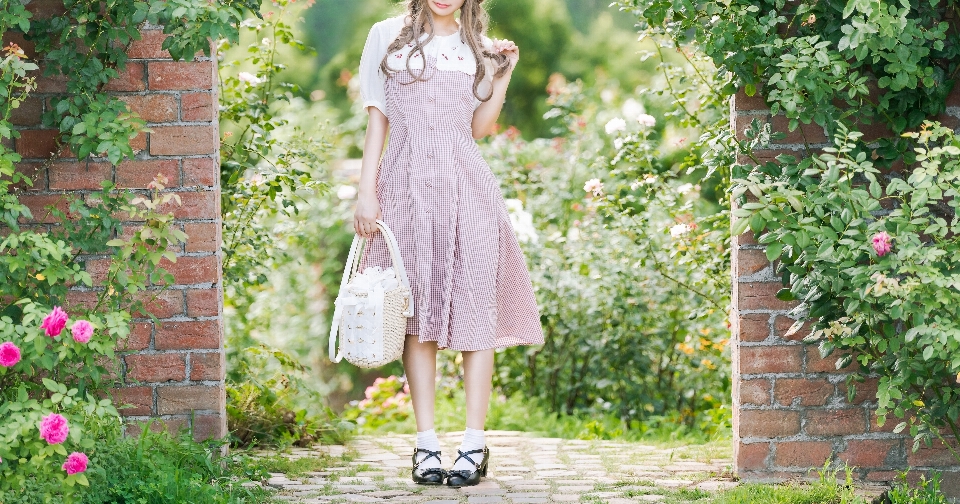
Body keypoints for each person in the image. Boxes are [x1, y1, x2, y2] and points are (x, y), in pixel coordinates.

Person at [352, 0, 545, 489]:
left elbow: (477, 129)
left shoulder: (477, 49)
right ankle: (427, 445)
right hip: (405, 186)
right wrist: (366, 190)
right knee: (416, 317)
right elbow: (378, 122)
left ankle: (474, 445)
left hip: (467, 188)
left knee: (474, 310)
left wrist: (503, 74)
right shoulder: (387, 36)